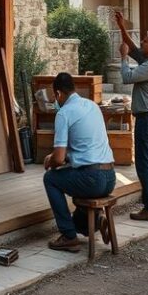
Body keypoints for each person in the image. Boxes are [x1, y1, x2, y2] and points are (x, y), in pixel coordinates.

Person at [43, 72, 116, 252]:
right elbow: (85, 147)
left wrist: (50, 160)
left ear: (58, 93)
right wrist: (64, 158)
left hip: (92, 178)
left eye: (55, 96)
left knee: (51, 179)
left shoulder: (64, 113)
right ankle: (96, 221)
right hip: (110, 178)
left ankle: (68, 236)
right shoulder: (92, 106)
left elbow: (58, 159)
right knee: (77, 182)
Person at [114, 10, 148, 221]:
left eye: (144, 41)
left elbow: (127, 77)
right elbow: (132, 47)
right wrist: (121, 26)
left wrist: (122, 58)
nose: (141, 43)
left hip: (146, 119)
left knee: (143, 163)